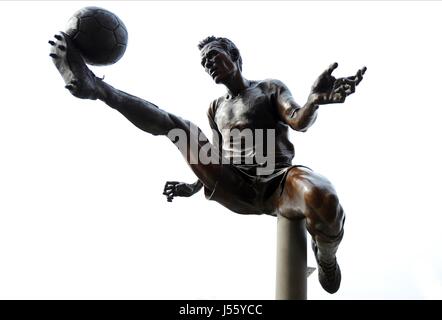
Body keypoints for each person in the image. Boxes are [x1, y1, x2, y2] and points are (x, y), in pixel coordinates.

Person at [49, 33, 366, 294]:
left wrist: (313, 100)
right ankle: (98, 88)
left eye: (214, 57)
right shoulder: (215, 109)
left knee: (325, 201)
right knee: (181, 129)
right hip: (237, 185)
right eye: (204, 63)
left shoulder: (269, 88)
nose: (209, 65)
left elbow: (298, 121)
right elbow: (215, 155)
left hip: (279, 179)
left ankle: (326, 257)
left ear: (234, 55)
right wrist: (193, 186)